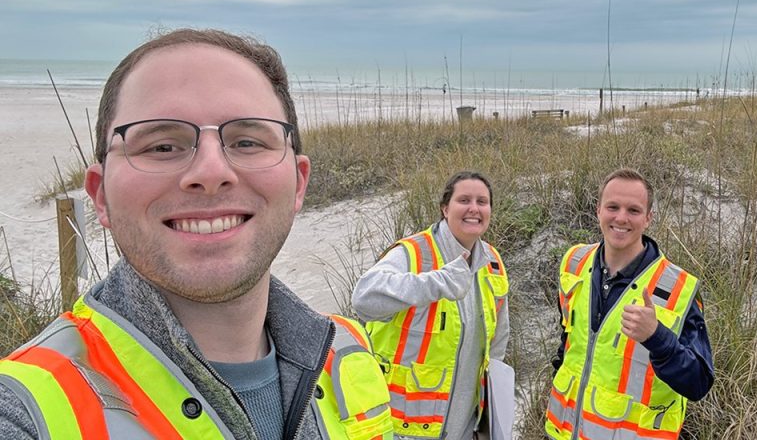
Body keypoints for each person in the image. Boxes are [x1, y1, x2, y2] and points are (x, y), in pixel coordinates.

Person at [0, 29, 393, 439]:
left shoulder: (347, 352)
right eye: (162, 146)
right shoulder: (26, 409)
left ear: (298, 182)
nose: (210, 173)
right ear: (101, 196)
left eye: (247, 141)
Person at [546, 168, 713, 440]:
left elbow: (698, 383)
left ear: (649, 218)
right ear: (598, 210)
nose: (621, 218)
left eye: (633, 210)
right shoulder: (574, 263)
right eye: (613, 207)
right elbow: (568, 343)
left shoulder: (677, 289)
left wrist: (657, 338)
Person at [351, 171, 510, 440]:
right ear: (445, 208)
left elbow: (497, 343)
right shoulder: (414, 253)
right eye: (464, 200)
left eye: (482, 201)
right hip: (401, 429)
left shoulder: (492, 262)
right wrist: (438, 282)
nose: (474, 208)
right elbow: (364, 299)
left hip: (464, 427)